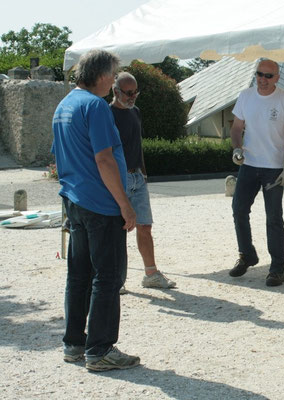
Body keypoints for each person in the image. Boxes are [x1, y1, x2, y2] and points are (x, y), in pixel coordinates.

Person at [51, 49, 140, 371]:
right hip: (100, 203)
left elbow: (59, 156)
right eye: (113, 76)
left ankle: (74, 343)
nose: (114, 82)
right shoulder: (95, 106)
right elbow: (104, 159)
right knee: (107, 277)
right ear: (103, 76)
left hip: (74, 199)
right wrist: (125, 205)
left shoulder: (64, 105)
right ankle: (100, 349)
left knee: (78, 275)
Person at [228, 59, 284, 287]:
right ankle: (247, 255)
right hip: (249, 164)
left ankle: (277, 268)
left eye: (269, 76)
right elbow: (236, 128)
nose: (263, 79)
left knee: (274, 219)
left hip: (274, 168)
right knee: (239, 210)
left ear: (277, 78)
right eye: (260, 74)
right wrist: (237, 148)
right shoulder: (245, 96)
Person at [110, 72, 176, 293]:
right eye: (128, 93)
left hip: (138, 176)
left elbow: (137, 145)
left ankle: (151, 274)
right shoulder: (106, 115)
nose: (133, 97)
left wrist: (144, 174)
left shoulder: (136, 112)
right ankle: (115, 279)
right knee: (117, 229)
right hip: (119, 178)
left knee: (145, 225)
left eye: (135, 92)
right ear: (115, 91)